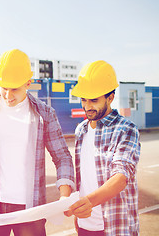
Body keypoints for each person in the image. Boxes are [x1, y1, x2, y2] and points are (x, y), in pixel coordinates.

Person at [0, 49, 75, 236]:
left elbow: (62, 156)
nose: (7, 95)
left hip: (31, 208)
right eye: (3, 88)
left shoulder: (44, 114)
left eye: (14, 88)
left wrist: (64, 195)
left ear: (28, 83)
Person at [65, 60, 140, 235]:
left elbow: (121, 176)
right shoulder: (81, 130)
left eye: (94, 100)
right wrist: (80, 216)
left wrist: (88, 202)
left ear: (110, 97)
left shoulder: (126, 129)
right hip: (85, 225)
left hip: (114, 226)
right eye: (83, 99)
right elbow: (84, 179)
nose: (87, 106)